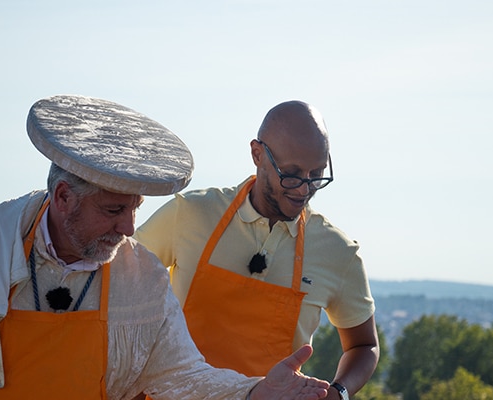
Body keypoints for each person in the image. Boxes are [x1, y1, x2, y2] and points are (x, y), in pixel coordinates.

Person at [0, 95, 330, 400]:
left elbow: (183, 377)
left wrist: (255, 392)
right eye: (114, 209)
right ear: (64, 196)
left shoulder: (141, 278)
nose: (128, 227)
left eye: (135, 208)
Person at [133, 100, 379, 400]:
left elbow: (364, 346)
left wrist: (339, 392)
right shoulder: (190, 214)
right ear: (257, 154)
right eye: (291, 173)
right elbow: (120, 279)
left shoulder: (338, 252)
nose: (304, 188)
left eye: (316, 175)